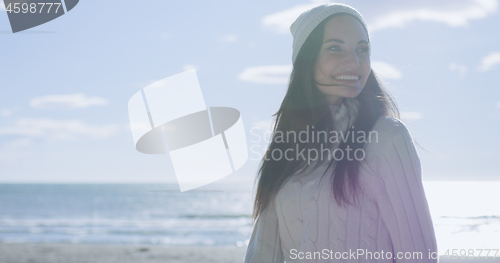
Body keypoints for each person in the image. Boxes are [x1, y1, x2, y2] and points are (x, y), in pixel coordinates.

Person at [244, 3, 438, 263]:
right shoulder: (287, 149)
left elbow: (419, 255)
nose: (354, 62)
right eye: (335, 48)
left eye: (362, 49)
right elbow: (263, 252)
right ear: (307, 59)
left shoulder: (387, 138)